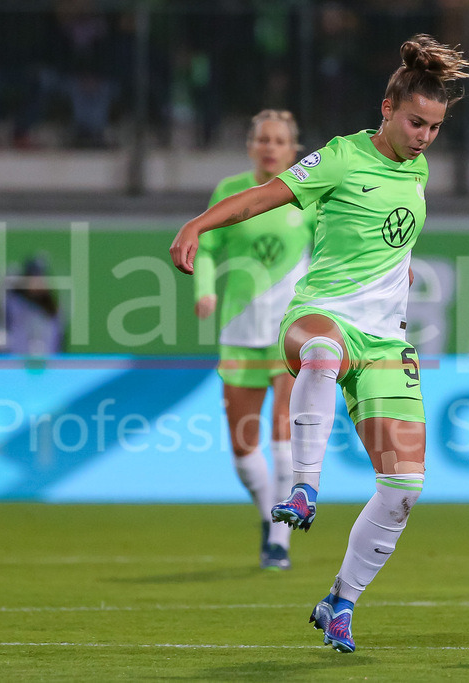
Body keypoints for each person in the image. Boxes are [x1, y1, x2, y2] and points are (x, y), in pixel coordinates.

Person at [170, 34, 469, 653]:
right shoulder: (340, 156)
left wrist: (401, 268)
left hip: (385, 339)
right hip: (320, 313)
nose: (424, 137)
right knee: (323, 353)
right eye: (415, 123)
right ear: (387, 109)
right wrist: (198, 223)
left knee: (404, 488)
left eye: (435, 128)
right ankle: (304, 487)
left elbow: (388, 234)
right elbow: (263, 197)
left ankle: (340, 601)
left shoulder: (417, 168)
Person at [193, 109, 316, 571]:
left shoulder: (308, 194)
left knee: (284, 435)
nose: (270, 147)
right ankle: (268, 515)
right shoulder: (230, 191)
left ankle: (279, 540)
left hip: (290, 331)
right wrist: (204, 288)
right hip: (240, 330)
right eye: (263, 139)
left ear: (293, 150)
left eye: (279, 140)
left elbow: (333, 248)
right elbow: (207, 247)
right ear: (250, 146)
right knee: (244, 447)